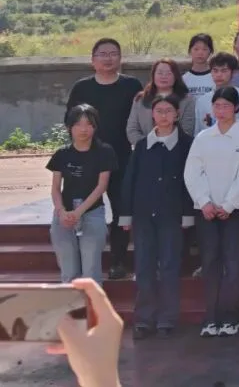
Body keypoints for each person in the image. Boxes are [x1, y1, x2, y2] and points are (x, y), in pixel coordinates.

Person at [65, 38, 142, 280]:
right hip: (88, 159)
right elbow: (70, 122)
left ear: (120, 58)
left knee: (121, 210)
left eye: (113, 53)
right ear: (93, 60)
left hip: (122, 158)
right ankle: (82, 263)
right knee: (85, 209)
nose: (108, 58)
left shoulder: (132, 86)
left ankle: (118, 262)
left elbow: (141, 119)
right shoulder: (82, 88)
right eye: (102, 54)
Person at [119, 93, 194, 340]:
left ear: (177, 115)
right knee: (144, 266)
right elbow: (130, 180)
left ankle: (167, 319)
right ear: (152, 115)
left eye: (168, 111)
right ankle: (144, 319)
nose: (163, 115)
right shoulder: (142, 145)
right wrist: (126, 215)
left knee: (170, 266)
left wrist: (187, 213)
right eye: (159, 111)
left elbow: (190, 181)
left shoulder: (187, 144)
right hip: (144, 215)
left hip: (172, 215)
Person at [183, 85, 239, 338]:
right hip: (206, 211)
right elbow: (192, 172)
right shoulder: (204, 137)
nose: (221, 110)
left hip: (237, 209)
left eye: (226, 106)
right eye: (217, 106)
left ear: (236, 108)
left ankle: (231, 316)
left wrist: (228, 205)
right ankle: (211, 317)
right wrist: (205, 202)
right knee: (210, 262)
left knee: (234, 264)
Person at [47, 105, 117, 284]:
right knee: (68, 270)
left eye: (89, 124)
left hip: (92, 212)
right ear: (69, 127)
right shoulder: (62, 154)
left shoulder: (105, 152)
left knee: (91, 270)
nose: (84, 129)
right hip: (64, 214)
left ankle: (93, 302)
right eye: (78, 124)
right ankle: (70, 302)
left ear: (95, 127)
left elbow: (101, 186)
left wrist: (79, 212)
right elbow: (56, 188)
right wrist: (61, 211)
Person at [126, 59, 197, 143]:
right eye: (160, 73)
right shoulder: (140, 99)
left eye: (168, 73)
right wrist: (147, 146)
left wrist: (166, 147)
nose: (164, 76)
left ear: (176, 76)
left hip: (176, 148)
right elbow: (132, 129)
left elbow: (187, 130)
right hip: (145, 148)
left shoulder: (187, 100)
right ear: (153, 75)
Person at [194, 52, 239, 133]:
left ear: (234, 72)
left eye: (224, 71)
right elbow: (198, 131)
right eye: (215, 71)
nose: (219, 75)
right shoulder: (202, 101)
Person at [182, 33, 216, 101]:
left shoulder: (216, 77)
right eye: (196, 49)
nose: (200, 53)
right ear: (190, 51)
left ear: (210, 52)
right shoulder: (183, 79)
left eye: (204, 49)